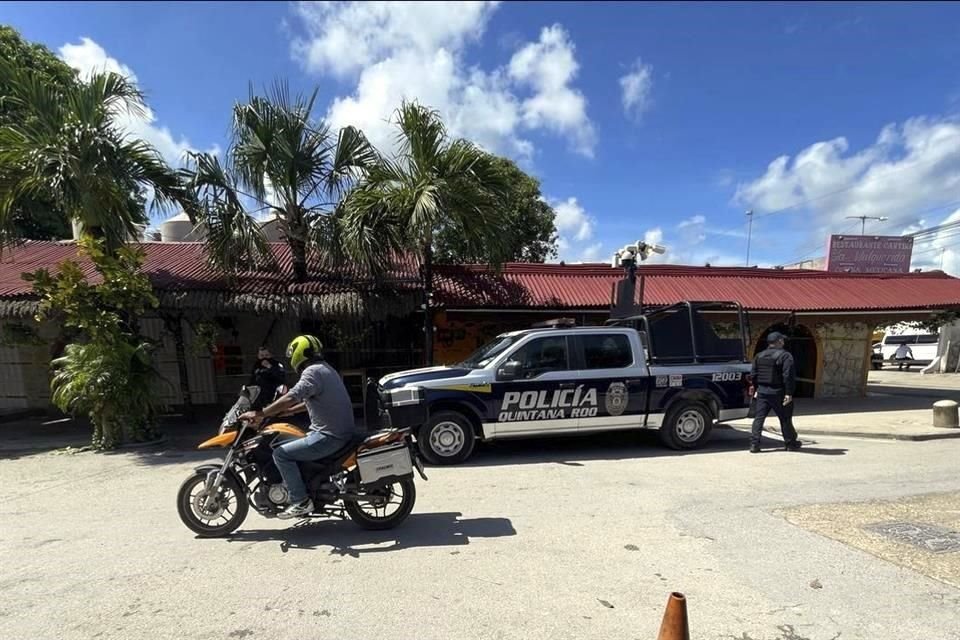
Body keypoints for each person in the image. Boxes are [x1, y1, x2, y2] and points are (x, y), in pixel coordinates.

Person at [240, 335, 357, 519]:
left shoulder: (312, 372)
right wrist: (290, 411)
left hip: (329, 437)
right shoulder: (326, 369)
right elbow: (313, 399)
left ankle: (300, 500)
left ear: (299, 352)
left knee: (281, 454)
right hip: (338, 433)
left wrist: (261, 413)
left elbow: (292, 396)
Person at [750, 331, 801, 453]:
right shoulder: (785, 356)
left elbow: (753, 374)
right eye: (782, 340)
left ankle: (754, 445)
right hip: (779, 392)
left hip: (762, 391)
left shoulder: (759, 355)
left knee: (759, 419)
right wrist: (789, 393)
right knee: (785, 418)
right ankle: (790, 444)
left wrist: (756, 388)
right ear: (779, 341)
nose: (783, 342)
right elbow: (788, 375)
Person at [249, 346, 287, 410]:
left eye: (266, 355)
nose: (264, 357)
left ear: (270, 355)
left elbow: (281, 376)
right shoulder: (256, 366)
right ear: (258, 356)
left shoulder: (277, 364)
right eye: (262, 355)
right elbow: (253, 379)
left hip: (273, 393)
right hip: (259, 396)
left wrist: (269, 366)